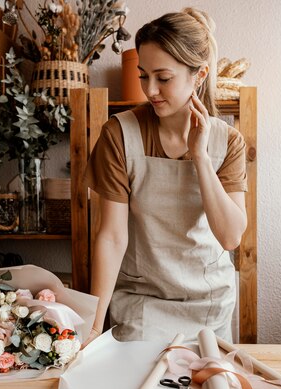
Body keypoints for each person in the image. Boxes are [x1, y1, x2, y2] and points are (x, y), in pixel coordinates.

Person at [81, 7, 247, 346]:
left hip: (210, 308)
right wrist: (94, 329)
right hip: (142, 305)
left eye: (163, 77)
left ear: (198, 75)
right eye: (143, 75)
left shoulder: (227, 142)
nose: (150, 90)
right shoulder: (119, 135)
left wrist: (199, 157)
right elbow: (112, 237)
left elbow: (230, 237)